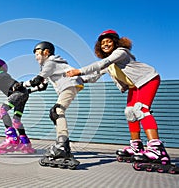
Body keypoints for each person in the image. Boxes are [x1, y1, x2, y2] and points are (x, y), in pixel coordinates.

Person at [66, 30, 172, 172]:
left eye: (108, 41)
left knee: (141, 110)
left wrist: (79, 71)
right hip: (134, 86)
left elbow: (102, 63)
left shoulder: (121, 52)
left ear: (116, 42)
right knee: (130, 112)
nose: (105, 44)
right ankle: (136, 147)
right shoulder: (110, 64)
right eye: (102, 43)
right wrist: (74, 80)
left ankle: (157, 149)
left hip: (148, 79)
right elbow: (94, 76)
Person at [22, 41, 83, 169]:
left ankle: (62, 145)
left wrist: (21, 85)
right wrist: (28, 91)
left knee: (58, 111)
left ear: (46, 52)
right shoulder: (50, 65)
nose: (36, 57)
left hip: (69, 84)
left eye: (37, 54)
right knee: (54, 113)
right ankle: (62, 143)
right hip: (70, 85)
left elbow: (37, 80)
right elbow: (42, 85)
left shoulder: (50, 62)